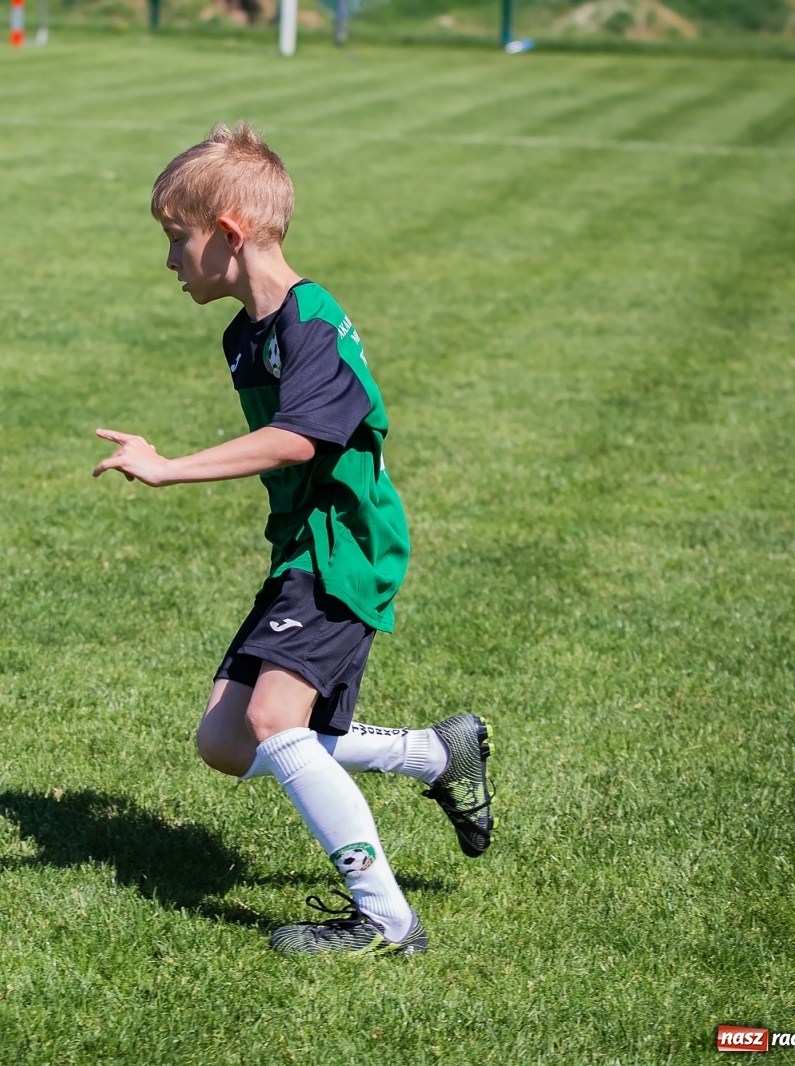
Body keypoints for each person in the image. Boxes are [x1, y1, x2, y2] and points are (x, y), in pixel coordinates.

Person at [92, 123, 494, 956]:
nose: (170, 262)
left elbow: (302, 439)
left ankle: (386, 920)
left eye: (177, 240)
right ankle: (434, 755)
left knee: (276, 719)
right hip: (302, 548)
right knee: (227, 740)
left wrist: (168, 468)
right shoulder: (246, 336)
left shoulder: (312, 321)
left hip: (344, 545)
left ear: (229, 234)